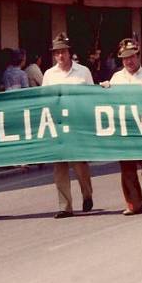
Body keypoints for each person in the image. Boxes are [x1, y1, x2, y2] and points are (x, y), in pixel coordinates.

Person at [102, 38, 142, 216]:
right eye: (125, 58)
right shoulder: (117, 78)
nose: (129, 61)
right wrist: (104, 91)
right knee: (127, 168)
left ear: (138, 56)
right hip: (125, 130)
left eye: (132, 57)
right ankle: (133, 203)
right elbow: (109, 102)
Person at [42, 33, 94, 218]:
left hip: (77, 124)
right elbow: (45, 100)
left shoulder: (83, 71)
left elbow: (92, 97)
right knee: (60, 167)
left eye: (63, 52)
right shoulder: (49, 74)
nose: (60, 56)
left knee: (80, 165)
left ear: (69, 52)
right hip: (58, 124)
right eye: (57, 53)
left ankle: (87, 194)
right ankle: (65, 206)